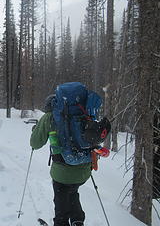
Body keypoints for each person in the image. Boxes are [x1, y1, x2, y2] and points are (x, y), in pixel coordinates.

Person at [30, 82, 110, 226]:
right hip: (85, 169)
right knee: (73, 192)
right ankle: (78, 221)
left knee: (61, 204)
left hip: (62, 172)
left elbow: (35, 143)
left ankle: (62, 223)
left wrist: (37, 130)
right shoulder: (86, 113)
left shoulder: (50, 117)